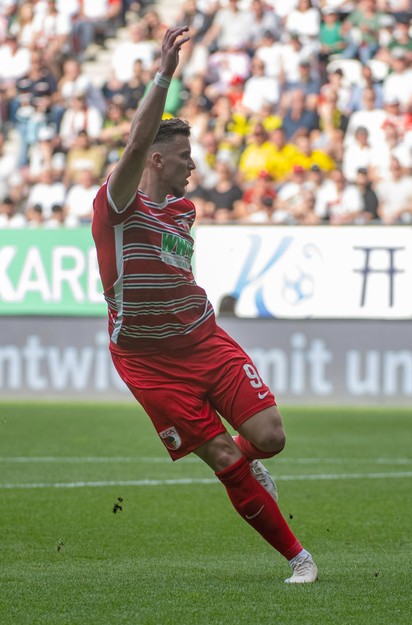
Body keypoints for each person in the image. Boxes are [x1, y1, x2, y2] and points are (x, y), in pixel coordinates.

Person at [90, 27, 317, 585]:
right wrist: (165, 72)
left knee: (270, 438)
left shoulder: (185, 212)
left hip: (203, 339)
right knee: (221, 459)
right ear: (158, 159)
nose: (193, 166)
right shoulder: (116, 204)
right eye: (185, 157)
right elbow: (137, 141)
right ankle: (299, 559)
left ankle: (248, 462)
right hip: (147, 361)